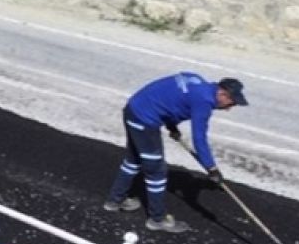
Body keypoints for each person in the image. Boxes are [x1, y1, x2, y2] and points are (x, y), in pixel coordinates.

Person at [104, 73, 247, 233]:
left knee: (133, 160)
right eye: (231, 103)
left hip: (133, 109)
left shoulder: (196, 80)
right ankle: (157, 219)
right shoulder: (204, 102)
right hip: (144, 121)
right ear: (222, 94)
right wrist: (211, 168)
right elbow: (199, 139)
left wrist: (172, 126)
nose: (228, 109)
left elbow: (172, 100)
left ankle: (114, 201)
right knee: (157, 172)